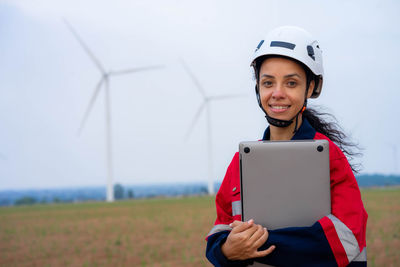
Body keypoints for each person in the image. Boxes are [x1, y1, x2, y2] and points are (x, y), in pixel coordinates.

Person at [205, 26, 368, 267]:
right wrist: (226, 250)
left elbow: (345, 238)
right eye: (268, 82)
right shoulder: (240, 163)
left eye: (291, 83)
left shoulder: (328, 157)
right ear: (258, 87)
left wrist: (256, 245)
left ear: (310, 88)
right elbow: (220, 230)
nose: (277, 93)